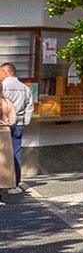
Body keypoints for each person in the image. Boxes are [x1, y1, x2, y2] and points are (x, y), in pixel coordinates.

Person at [0, 62, 31, 197]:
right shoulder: (25, 88)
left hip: (4, 125)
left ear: (5, 72)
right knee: (16, 153)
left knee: (3, 156)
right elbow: (29, 106)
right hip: (18, 123)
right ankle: (15, 183)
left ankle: (3, 183)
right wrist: (25, 121)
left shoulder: (3, 87)